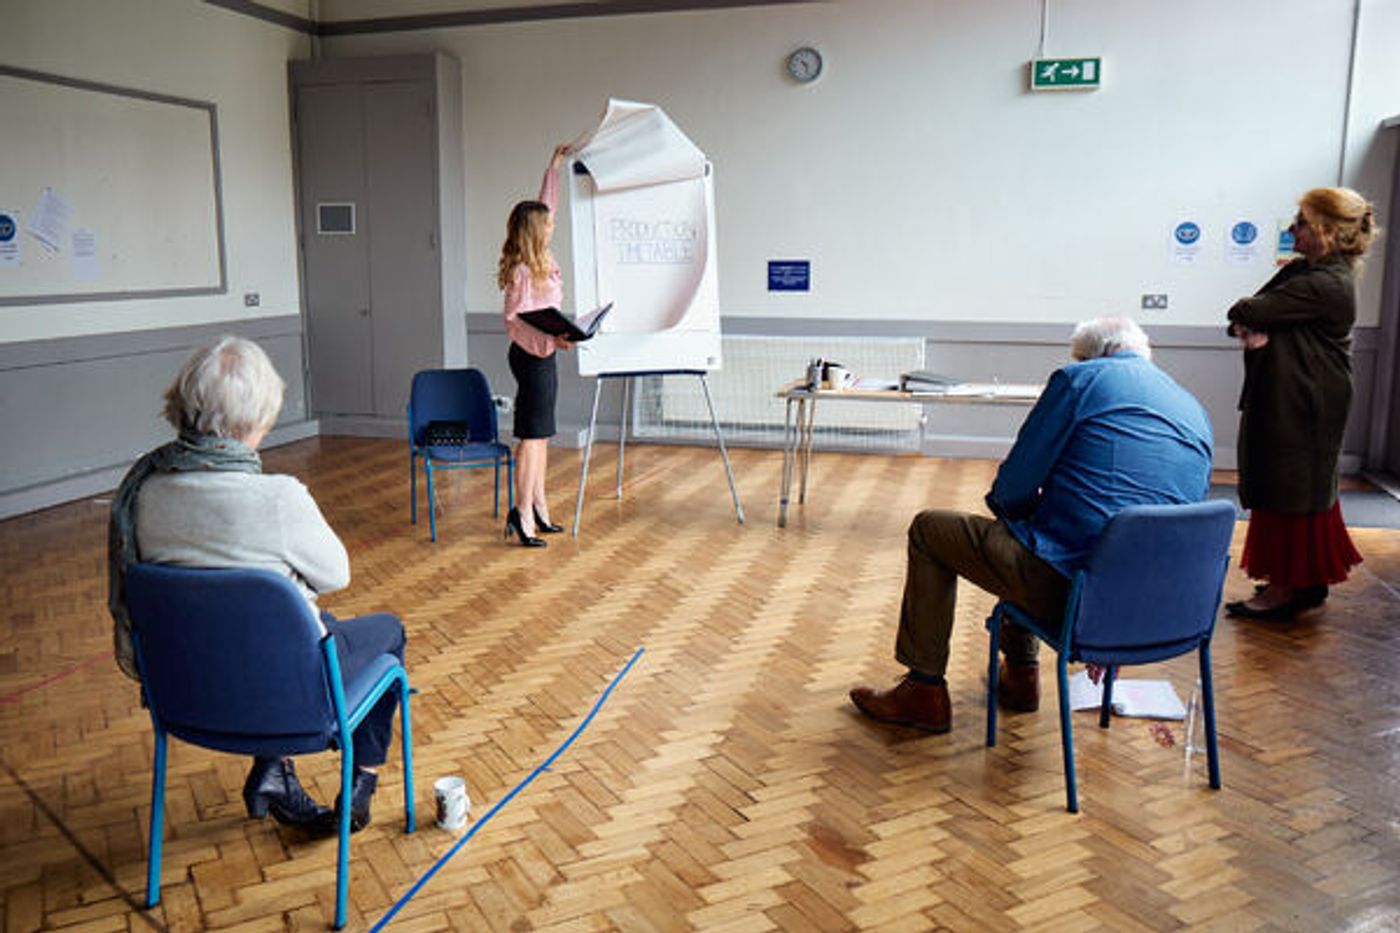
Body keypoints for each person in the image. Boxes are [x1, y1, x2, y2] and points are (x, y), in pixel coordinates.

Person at [849, 317, 1213, 733]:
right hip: (1163, 609)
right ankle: (1019, 677)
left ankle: (924, 689)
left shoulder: (1079, 380)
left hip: (1077, 592)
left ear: (1088, 356)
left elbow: (1014, 486)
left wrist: (1015, 511)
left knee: (936, 530)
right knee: (1044, 536)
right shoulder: (1192, 407)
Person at [108, 336, 404, 833]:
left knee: (266, 628)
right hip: (285, 695)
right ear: (256, 419)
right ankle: (361, 781)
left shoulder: (142, 494)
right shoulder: (278, 498)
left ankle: (274, 768)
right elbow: (336, 574)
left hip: (188, 692)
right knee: (387, 633)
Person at [1224, 188, 1380, 621]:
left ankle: (1283, 590)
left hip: (1304, 402)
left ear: (1328, 231)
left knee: (1288, 489)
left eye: (1303, 222)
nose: (1293, 229)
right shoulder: (1308, 273)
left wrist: (1253, 322)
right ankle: (1299, 582)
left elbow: (1246, 308)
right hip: (1297, 397)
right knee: (1292, 486)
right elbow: (1243, 316)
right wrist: (1251, 323)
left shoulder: (1323, 282)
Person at [497, 143, 576, 547]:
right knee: (530, 438)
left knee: (542, 435)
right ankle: (522, 511)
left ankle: (540, 506)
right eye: (546, 226)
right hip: (529, 358)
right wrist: (549, 338)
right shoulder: (523, 272)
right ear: (534, 232)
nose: (552, 227)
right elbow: (515, 321)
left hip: (544, 356)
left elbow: (547, 207)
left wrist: (554, 168)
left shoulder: (541, 255)